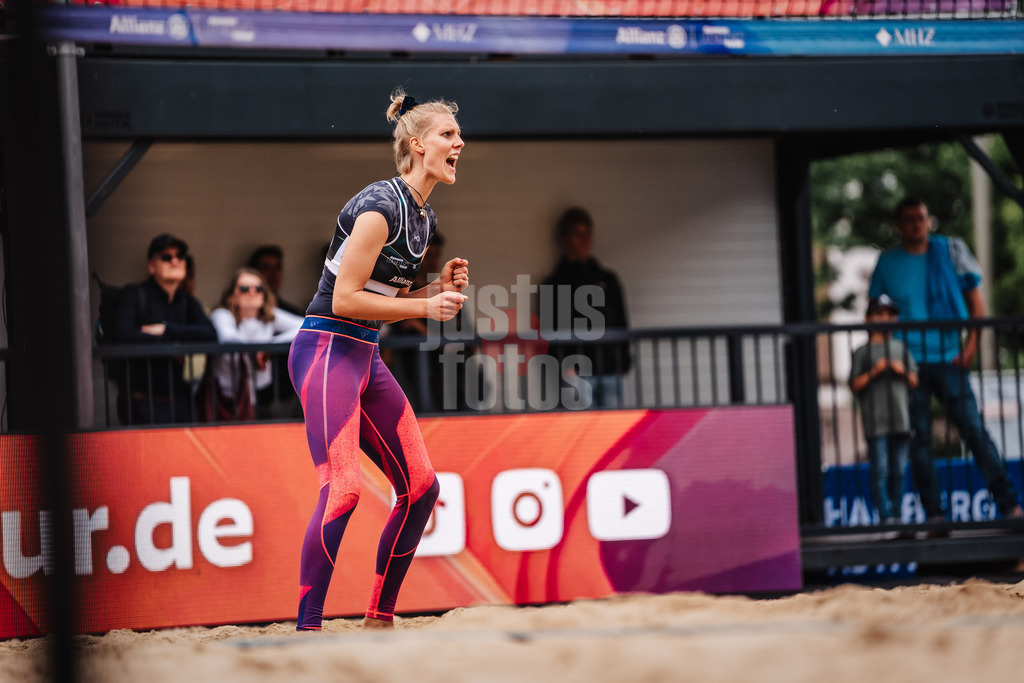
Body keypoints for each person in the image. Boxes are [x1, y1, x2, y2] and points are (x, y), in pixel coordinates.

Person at [287, 88, 467, 631]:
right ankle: (307, 631)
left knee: (422, 488)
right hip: (325, 347)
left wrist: (433, 287)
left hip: (364, 353)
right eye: (448, 134)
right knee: (342, 490)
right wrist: (424, 304)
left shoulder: (422, 217)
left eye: (458, 135)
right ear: (417, 144)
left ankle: (379, 620)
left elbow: (381, 294)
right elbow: (344, 298)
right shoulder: (380, 205)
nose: (461, 143)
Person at [869, 197, 1023, 520]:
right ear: (899, 225)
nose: (917, 224)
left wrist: (970, 349)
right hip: (907, 364)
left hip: (950, 358)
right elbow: (874, 316)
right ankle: (935, 514)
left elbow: (976, 303)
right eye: (910, 219)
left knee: (975, 433)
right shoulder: (887, 263)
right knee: (920, 440)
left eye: (922, 217)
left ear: (928, 220)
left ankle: (1009, 505)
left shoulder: (950, 251)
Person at [113, 233, 217, 425]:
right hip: (141, 402)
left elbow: (210, 335)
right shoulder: (134, 294)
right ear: (151, 266)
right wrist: (173, 346)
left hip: (181, 402)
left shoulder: (187, 301)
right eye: (167, 257)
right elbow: (124, 336)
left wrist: (166, 329)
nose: (175, 261)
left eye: (180, 256)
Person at [541, 207, 631, 409]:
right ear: (565, 238)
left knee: (614, 430)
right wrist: (565, 366)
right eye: (577, 233)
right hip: (578, 371)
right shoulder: (554, 283)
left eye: (587, 233)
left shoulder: (607, 279)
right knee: (584, 432)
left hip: (610, 369)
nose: (584, 239)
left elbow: (621, 321)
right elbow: (549, 330)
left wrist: (623, 362)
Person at [850, 294, 918, 524]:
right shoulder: (862, 352)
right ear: (868, 319)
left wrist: (902, 371)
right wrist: (875, 371)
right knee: (880, 469)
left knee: (899, 469)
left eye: (889, 314)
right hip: (875, 421)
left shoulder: (900, 348)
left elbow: (915, 381)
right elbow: (854, 385)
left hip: (901, 419)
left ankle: (897, 514)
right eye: (879, 314)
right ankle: (885, 515)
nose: (885, 319)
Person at [204, 268, 303, 421]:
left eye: (259, 288)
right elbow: (228, 338)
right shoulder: (222, 314)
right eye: (244, 289)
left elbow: (305, 326)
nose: (252, 292)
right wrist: (256, 351)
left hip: (260, 392)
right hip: (225, 397)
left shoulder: (270, 315)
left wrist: (268, 347)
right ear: (232, 297)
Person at [248, 244, 305, 317]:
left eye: (277, 268)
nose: (273, 274)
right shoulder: (245, 314)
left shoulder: (292, 314)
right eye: (266, 268)